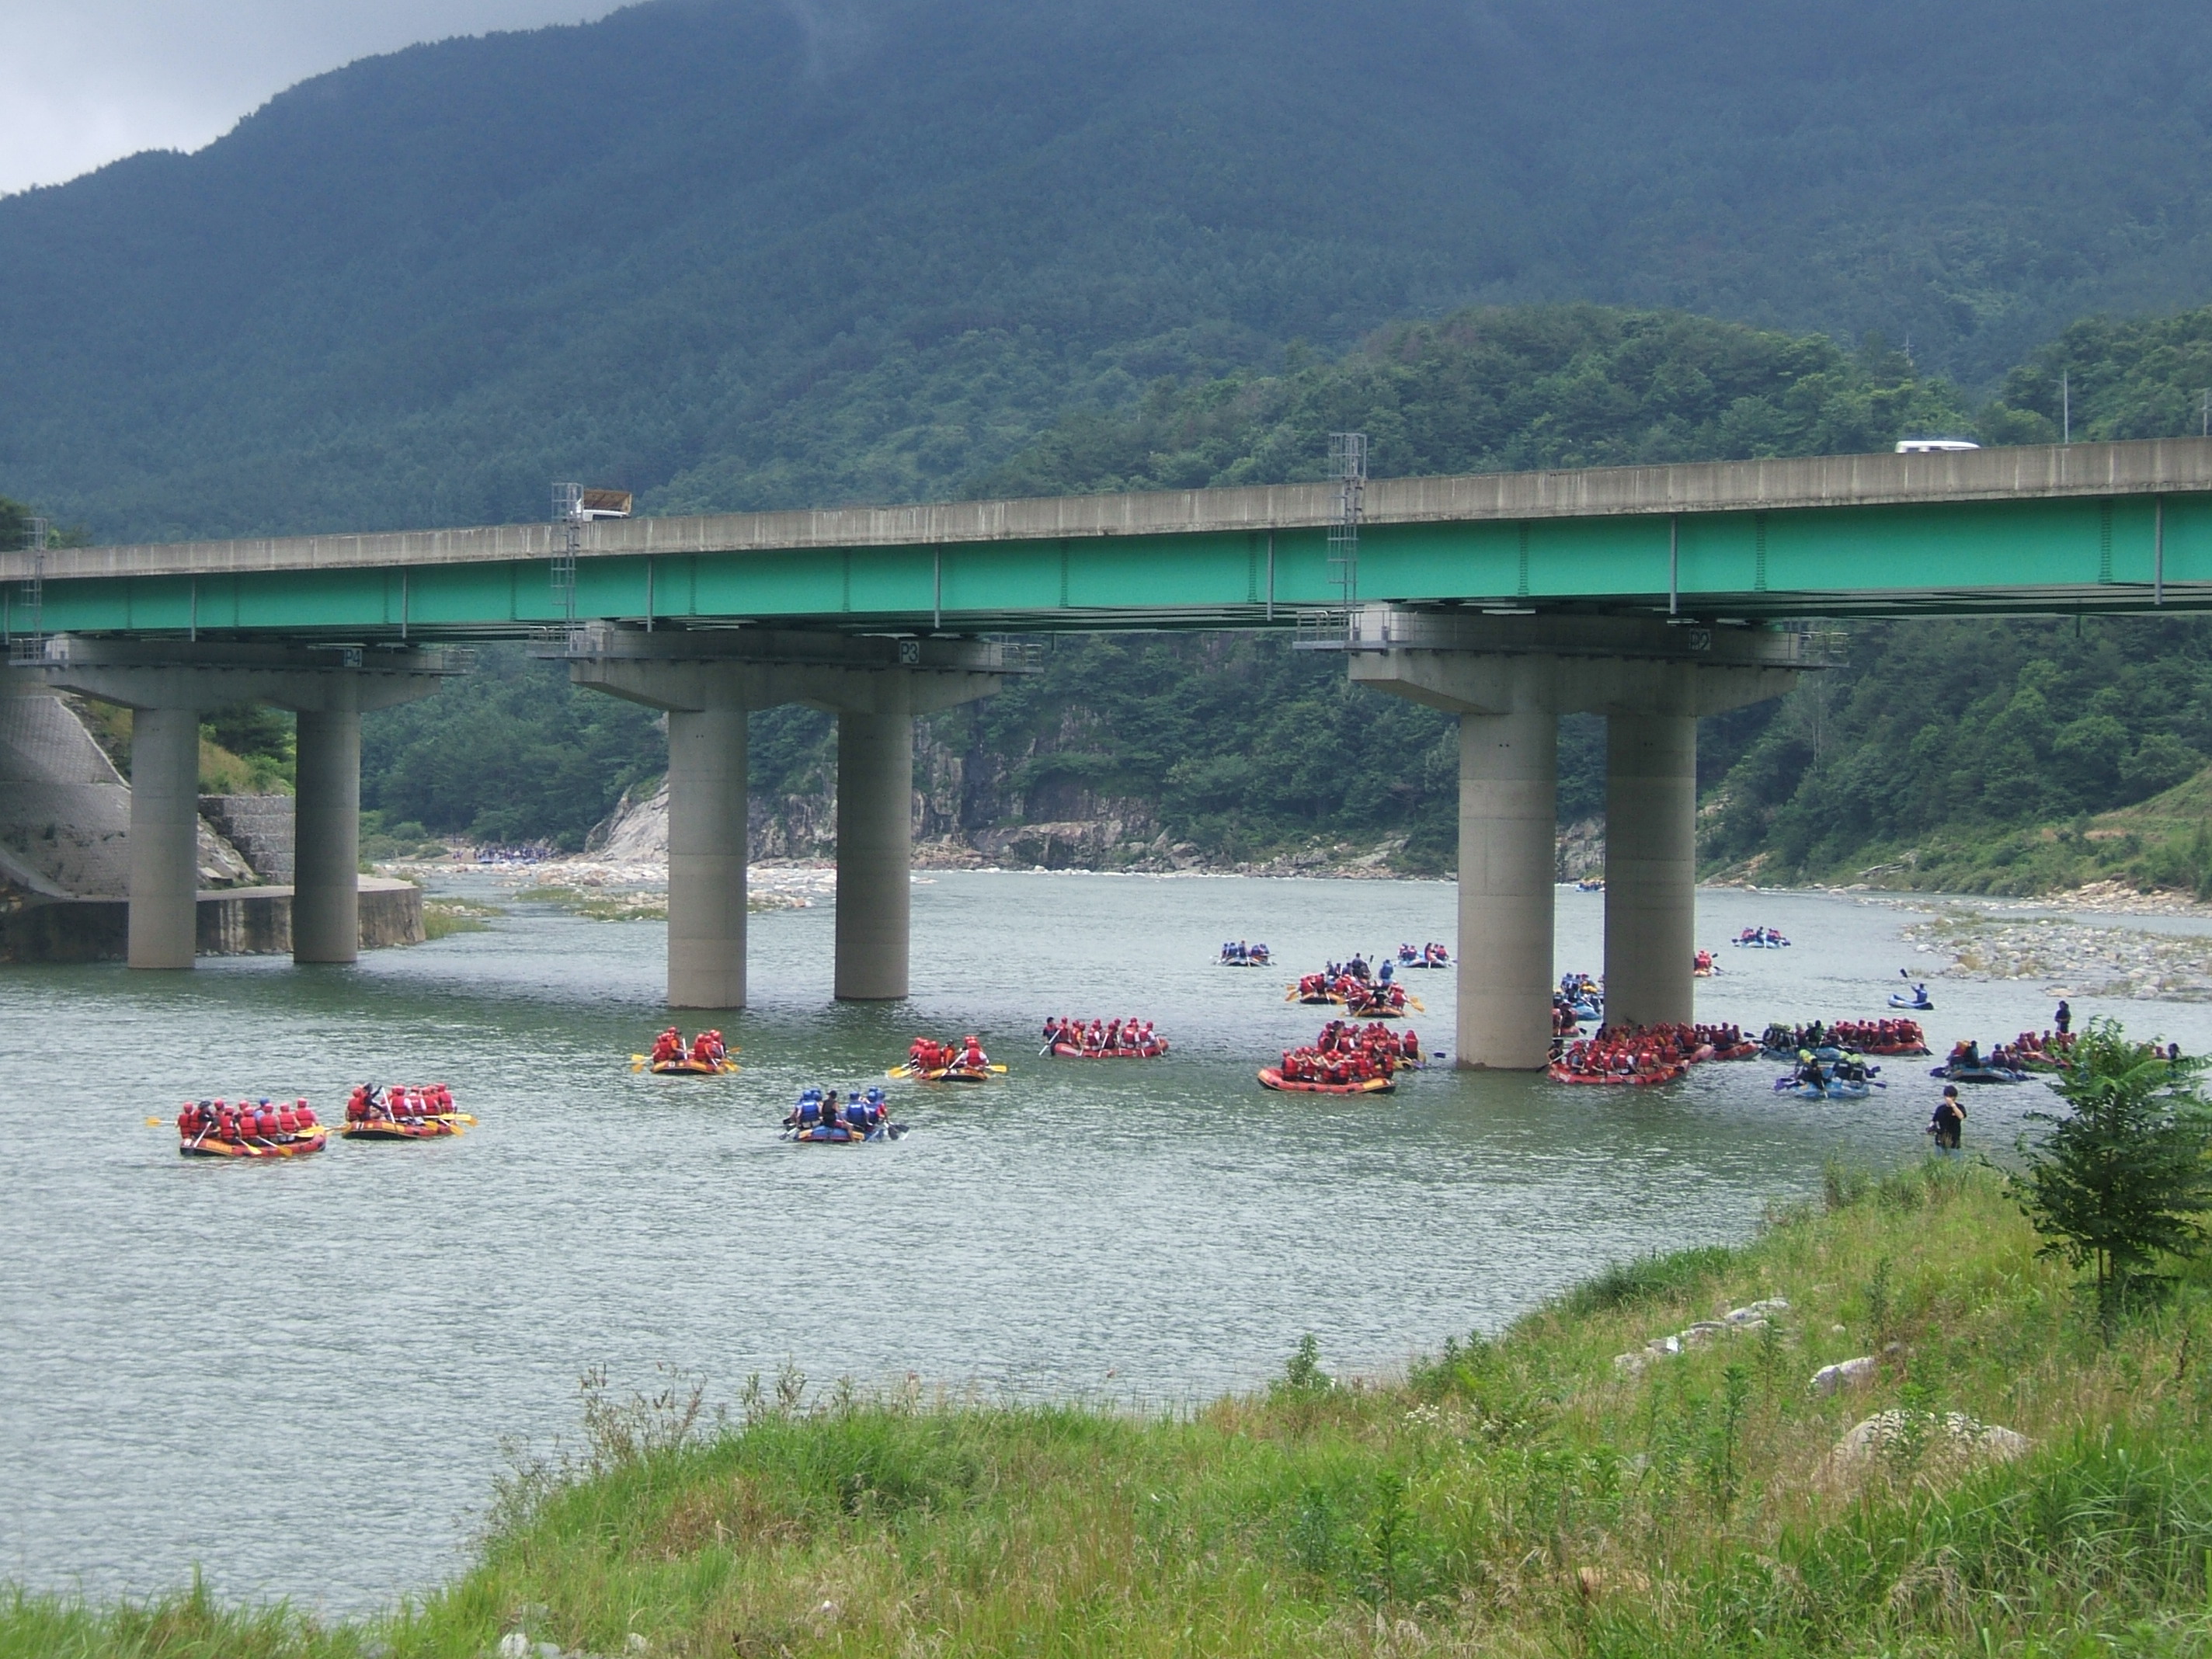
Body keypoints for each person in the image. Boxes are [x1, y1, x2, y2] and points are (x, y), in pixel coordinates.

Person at [1929, 1086, 1964, 1152]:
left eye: (1952, 1097)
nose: (1950, 1099)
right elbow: (1934, 1120)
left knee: (1955, 1160)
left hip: (1954, 1142)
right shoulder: (1940, 1108)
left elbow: (1961, 1116)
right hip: (1940, 1141)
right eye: (1948, 1097)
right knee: (1939, 1160)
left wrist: (1953, 1105)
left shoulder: (1959, 1107)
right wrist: (1931, 1128)